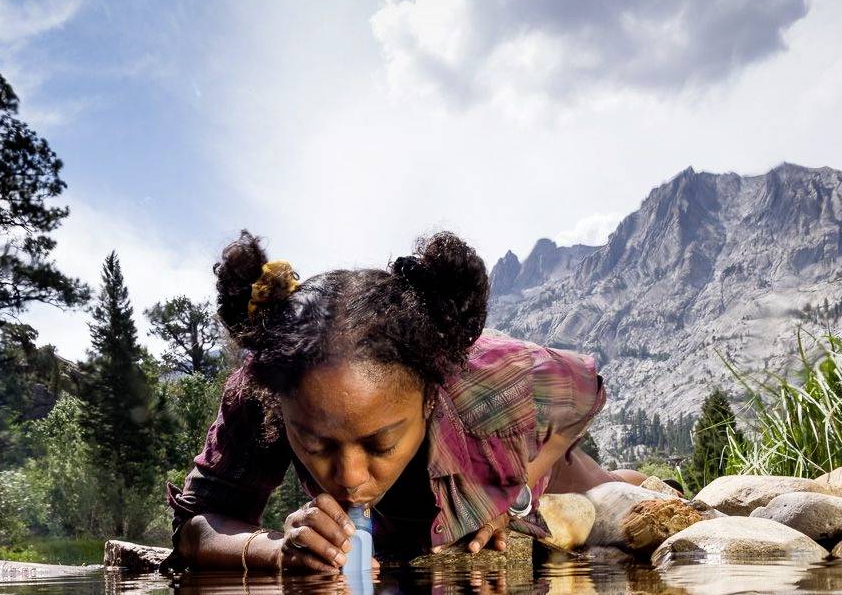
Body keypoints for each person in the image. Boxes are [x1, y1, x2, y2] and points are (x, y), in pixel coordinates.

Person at [169, 229, 643, 573]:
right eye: (317, 446)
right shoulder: (268, 387)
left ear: (429, 398)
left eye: (380, 444)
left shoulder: (488, 373)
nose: (350, 480)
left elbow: (587, 394)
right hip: (404, 530)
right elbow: (194, 527)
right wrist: (275, 550)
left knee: (610, 503)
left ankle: (640, 480)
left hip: (529, 466)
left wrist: (516, 495)